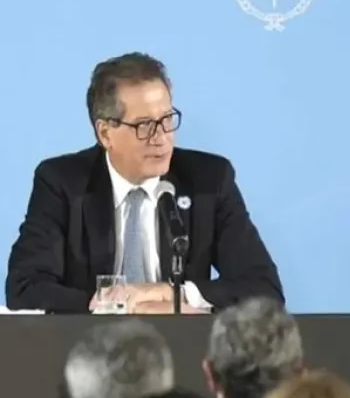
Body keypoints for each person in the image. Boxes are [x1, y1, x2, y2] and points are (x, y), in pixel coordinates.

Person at [6, 52, 284, 314]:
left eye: (167, 120)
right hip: (91, 342)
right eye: (145, 126)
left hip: (182, 344)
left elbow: (264, 289)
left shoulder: (208, 180)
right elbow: (25, 288)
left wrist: (171, 295)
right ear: (105, 133)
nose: (161, 138)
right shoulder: (62, 182)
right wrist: (117, 307)